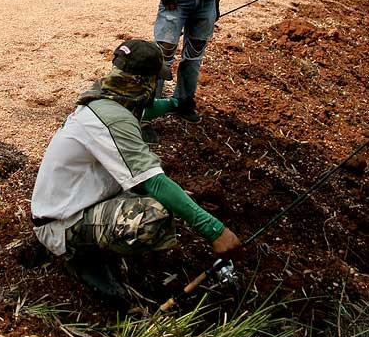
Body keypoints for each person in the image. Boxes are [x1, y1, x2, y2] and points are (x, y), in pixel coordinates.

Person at [31, 40, 239, 298]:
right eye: (155, 80)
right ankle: (81, 256)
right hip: (60, 222)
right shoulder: (113, 119)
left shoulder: (103, 98)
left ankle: (83, 242)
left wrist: (175, 105)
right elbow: (155, 182)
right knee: (153, 215)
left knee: (156, 195)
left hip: (64, 205)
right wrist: (214, 230)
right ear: (146, 81)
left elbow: (144, 110)